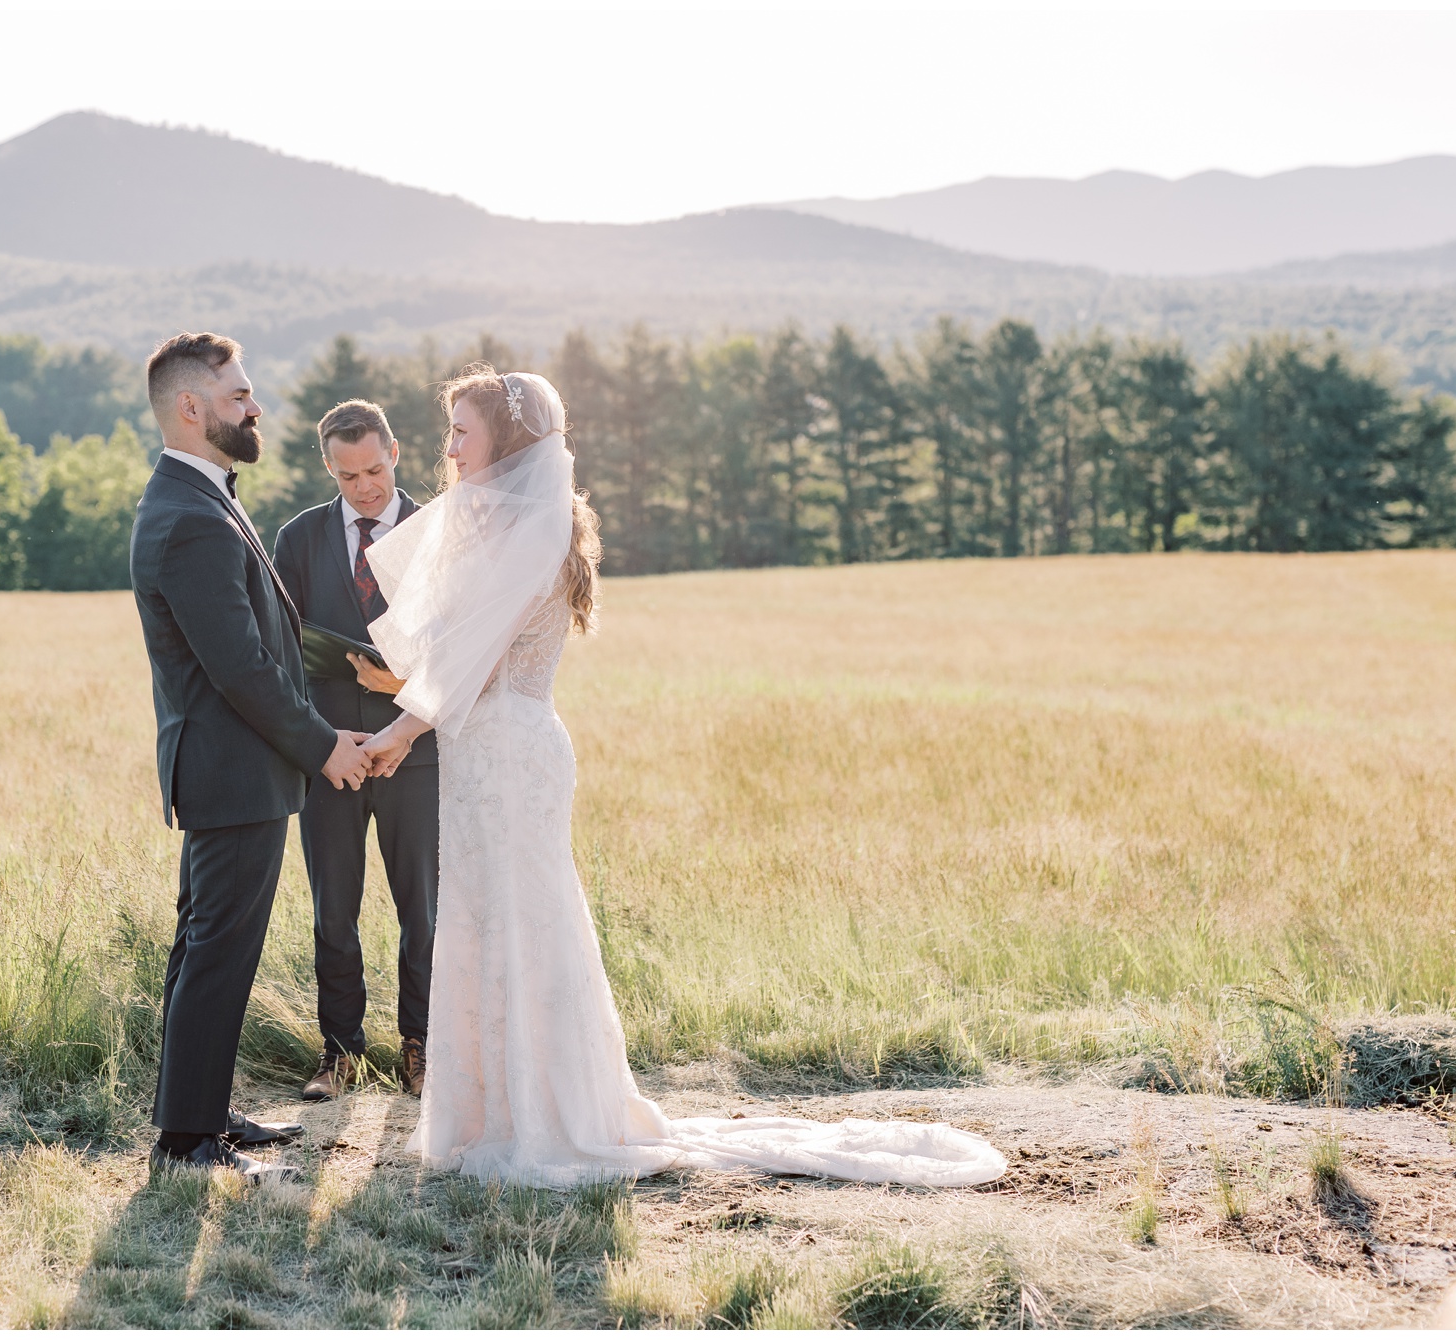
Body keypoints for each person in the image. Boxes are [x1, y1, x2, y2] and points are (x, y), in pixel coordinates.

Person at [358, 364, 1008, 1189]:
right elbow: (451, 661)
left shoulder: (533, 532)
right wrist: (407, 724)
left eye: (460, 431)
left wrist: (395, 732)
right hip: (481, 752)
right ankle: (495, 1113)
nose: (446, 447)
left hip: (512, 754)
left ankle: (549, 1115)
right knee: (486, 922)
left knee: (528, 925)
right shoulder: (495, 526)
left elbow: (469, 664)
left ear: (507, 441)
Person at [129, 332, 377, 1180]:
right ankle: (188, 1142)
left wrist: (352, 661)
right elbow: (239, 667)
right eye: (239, 396)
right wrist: (323, 749)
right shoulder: (192, 519)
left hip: (233, 768)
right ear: (192, 409)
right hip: (233, 771)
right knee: (216, 949)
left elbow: (267, 634)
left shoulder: (206, 499)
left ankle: (199, 1110)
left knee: (208, 945)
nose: (254, 406)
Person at [272, 400, 438, 1100]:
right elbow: (281, 651)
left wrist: (404, 705)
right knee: (332, 908)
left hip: (419, 749)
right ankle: (339, 1052)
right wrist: (322, 741)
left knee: (423, 909)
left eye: (374, 469)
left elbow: (462, 647)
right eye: (348, 477)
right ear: (328, 469)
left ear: (394, 453)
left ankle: (423, 1050)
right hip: (330, 754)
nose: (365, 486)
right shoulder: (298, 537)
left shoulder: (438, 532)